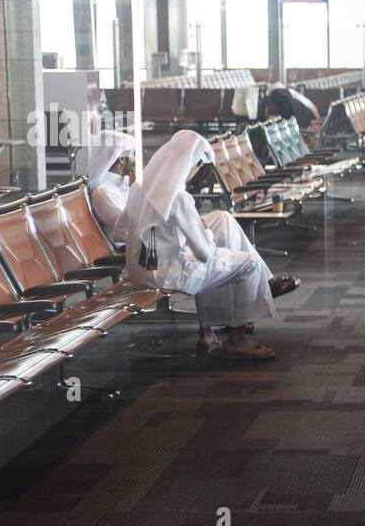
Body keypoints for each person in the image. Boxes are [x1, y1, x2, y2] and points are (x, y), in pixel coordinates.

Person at [123, 130, 299, 360]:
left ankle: (210, 332)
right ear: (189, 164)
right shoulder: (177, 197)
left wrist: (180, 235)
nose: (197, 173)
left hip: (143, 268)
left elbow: (122, 229)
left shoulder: (142, 186)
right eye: (198, 166)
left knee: (223, 226)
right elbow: (204, 253)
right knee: (248, 262)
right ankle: (237, 340)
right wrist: (205, 233)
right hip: (171, 273)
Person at [86, 130, 135, 244]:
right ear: (121, 159)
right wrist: (137, 190)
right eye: (133, 154)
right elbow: (130, 228)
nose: (135, 160)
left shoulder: (121, 185)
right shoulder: (103, 192)